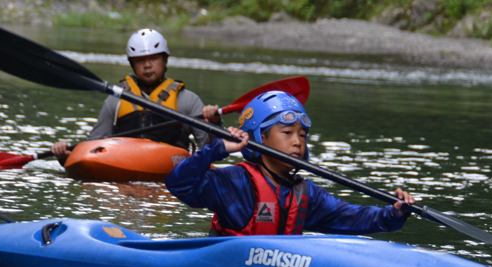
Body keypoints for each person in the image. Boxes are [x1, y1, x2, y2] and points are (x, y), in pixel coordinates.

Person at [165, 90, 416, 236]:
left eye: (302, 135)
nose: (297, 142)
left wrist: (393, 213)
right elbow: (178, 184)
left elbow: (354, 217)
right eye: (287, 133)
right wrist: (216, 150)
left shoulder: (306, 194)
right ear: (259, 138)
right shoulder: (235, 183)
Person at [50, 28, 218, 165]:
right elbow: (91, 149)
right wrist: (64, 155)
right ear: (132, 64)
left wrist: (214, 122)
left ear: (165, 60)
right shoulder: (115, 101)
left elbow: (211, 150)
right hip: (123, 167)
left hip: (169, 172)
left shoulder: (187, 100)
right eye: (140, 60)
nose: (147, 66)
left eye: (153, 58)